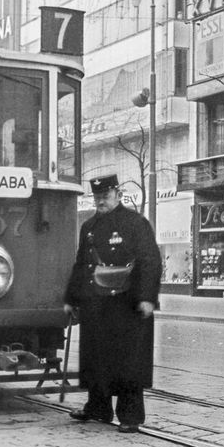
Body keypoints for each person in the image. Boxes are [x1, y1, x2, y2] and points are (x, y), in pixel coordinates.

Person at [63, 174, 162, 433]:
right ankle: (98, 407)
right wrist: (72, 299)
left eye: (105, 196)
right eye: (96, 197)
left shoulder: (136, 223)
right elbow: (81, 264)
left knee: (128, 361)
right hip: (96, 304)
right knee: (96, 357)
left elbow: (150, 261)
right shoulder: (89, 227)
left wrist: (147, 298)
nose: (100, 201)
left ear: (118, 194)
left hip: (128, 304)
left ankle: (130, 416)